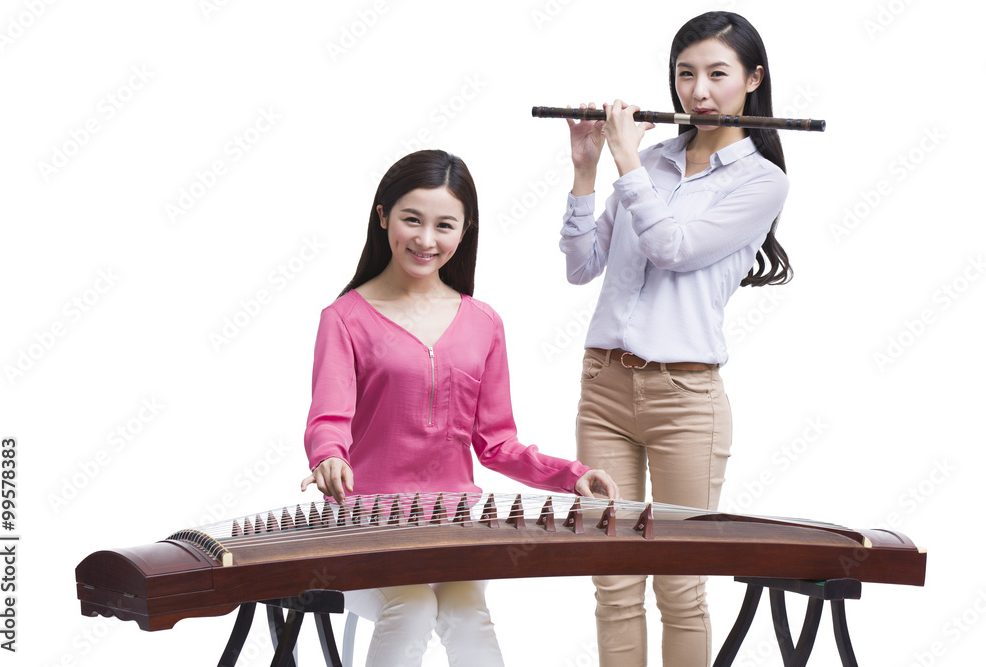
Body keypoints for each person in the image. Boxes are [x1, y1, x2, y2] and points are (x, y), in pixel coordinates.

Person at [300, 149, 619, 667]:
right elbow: (328, 421)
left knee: (468, 613)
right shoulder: (344, 318)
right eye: (411, 220)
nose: (426, 240)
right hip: (367, 523)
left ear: (464, 230)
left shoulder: (482, 322)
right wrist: (328, 458)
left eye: (444, 225)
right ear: (383, 216)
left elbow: (497, 444)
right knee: (411, 605)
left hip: (455, 525)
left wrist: (571, 475)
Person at [557, 11, 792, 667]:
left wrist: (625, 159)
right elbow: (581, 266)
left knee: (679, 582)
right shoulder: (654, 160)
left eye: (718, 73)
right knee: (613, 578)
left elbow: (673, 249)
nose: (699, 91)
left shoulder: (761, 181)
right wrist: (585, 169)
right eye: (686, 74)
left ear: (752, 79)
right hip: (602, 388)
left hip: (685, 398)